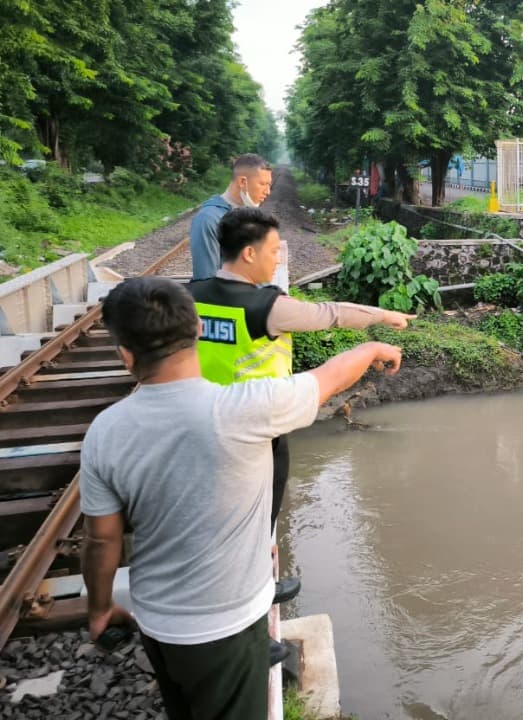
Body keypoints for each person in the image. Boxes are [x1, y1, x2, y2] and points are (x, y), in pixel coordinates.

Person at [80, 276, 402, 720]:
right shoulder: (246, 409)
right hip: (228, 623)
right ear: (196, 331)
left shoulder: (104, 432)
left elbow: (101, 541)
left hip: (156, 621)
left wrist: (99, 609)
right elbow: (328, 378)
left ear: (125, 353)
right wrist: (371, 350)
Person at [188, 207, 415, 531]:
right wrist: (382, 316)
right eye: (273, 251)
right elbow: (329, 313)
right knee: (261, 514)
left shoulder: (189, 296)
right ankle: (263, 577)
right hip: (259, 425)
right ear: (249, 253)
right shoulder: (266, 307)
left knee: (212, 507)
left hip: (201, 420)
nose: (278, 259)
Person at [189, 154, 273, 280]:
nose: (268, 191)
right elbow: (206, 280)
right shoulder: (209, 219)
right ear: (242, 182)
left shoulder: (250, 215)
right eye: (262, 184)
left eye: (269, 185)